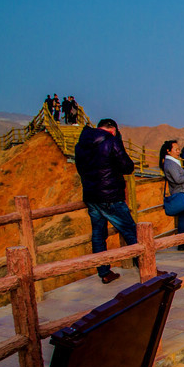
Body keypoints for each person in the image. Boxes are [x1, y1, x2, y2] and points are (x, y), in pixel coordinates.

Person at [73, 118, 137, 284]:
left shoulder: (81, 144)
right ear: (113, 130)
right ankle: (146, 267)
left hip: (91, 196)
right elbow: (127, 166)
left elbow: (80, 168)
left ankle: (104, 272)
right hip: (111, 195)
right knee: (130, 230)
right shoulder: (111, 141)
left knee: (98, 235)